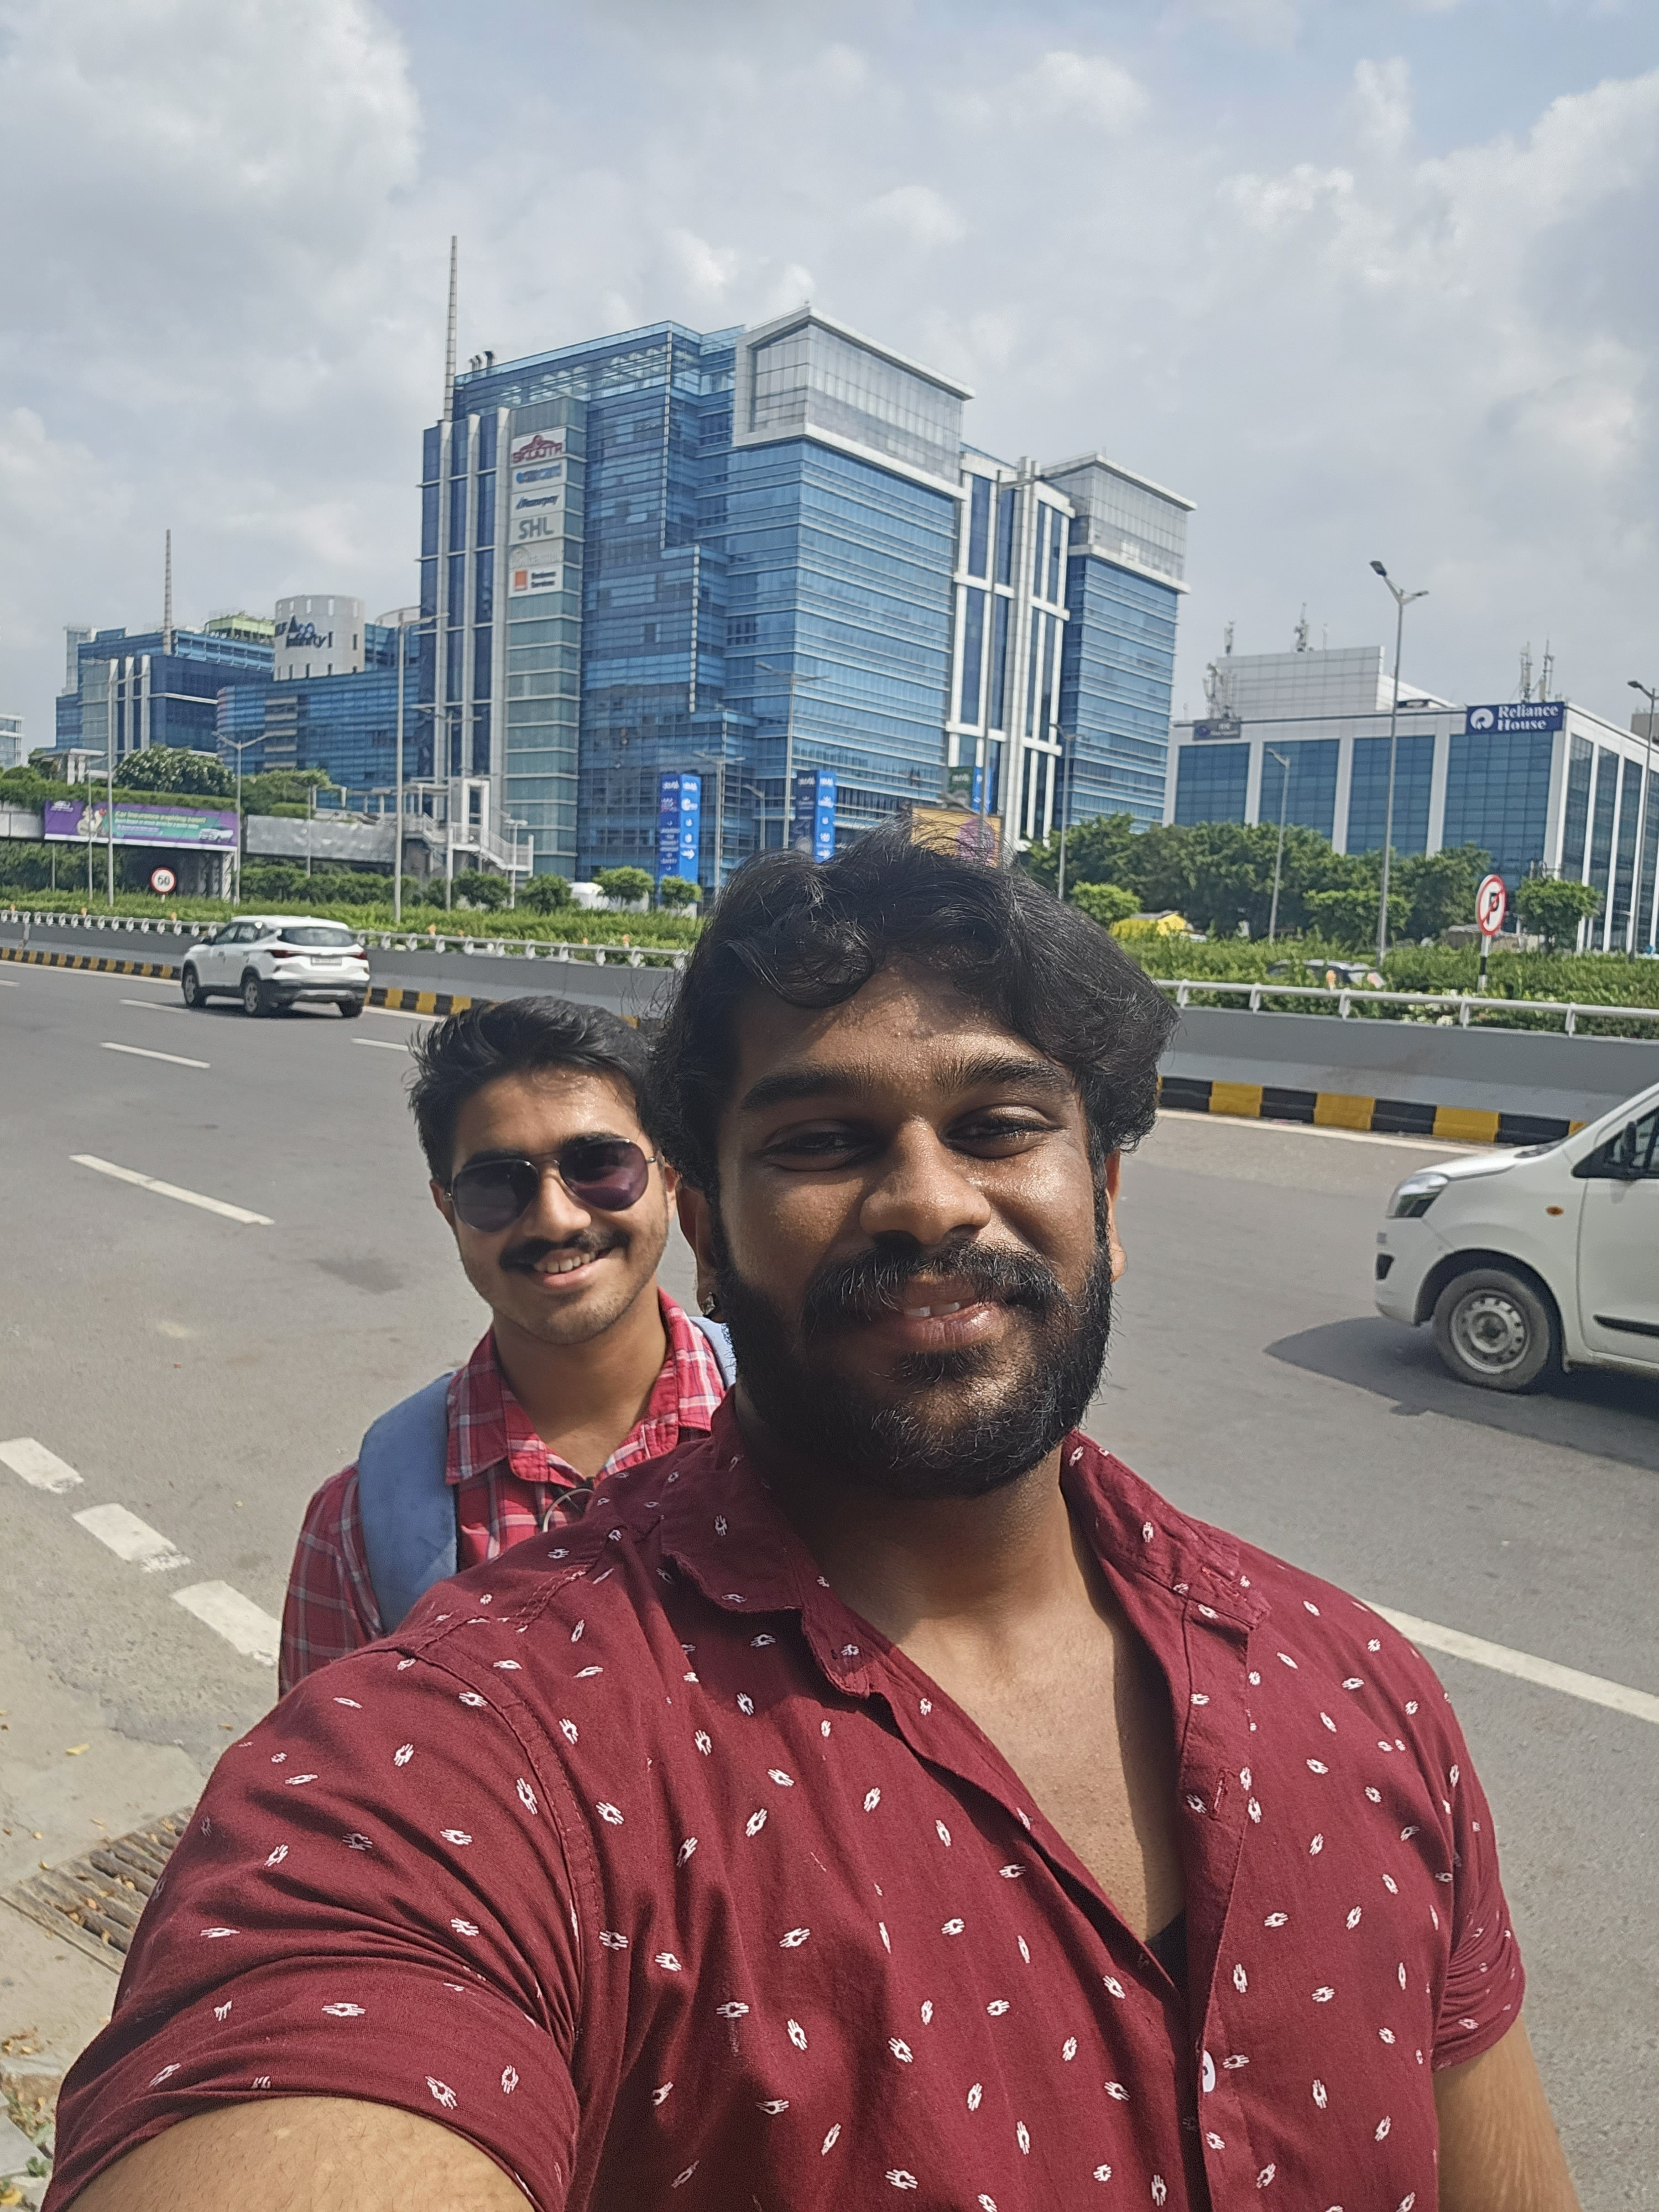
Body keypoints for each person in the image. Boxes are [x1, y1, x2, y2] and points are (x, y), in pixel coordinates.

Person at [49, 826, 1578, 2212]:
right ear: (709, 1235)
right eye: (822, 1141)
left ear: (1106, 1196)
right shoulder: (471, 1743)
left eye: (997, 1125)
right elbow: (335, 1997)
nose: (928, 1200)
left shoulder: (1356, 1688)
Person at [278, 995, 732, 1692]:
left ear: (669, 1177)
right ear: (448, 1209)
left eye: (600, 1163)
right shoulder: (359, 1529)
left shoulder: (805, 1424)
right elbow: (334, 1757)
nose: (555, 1219)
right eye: (497, 1185)